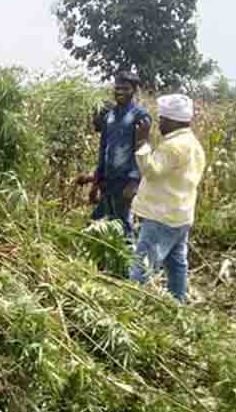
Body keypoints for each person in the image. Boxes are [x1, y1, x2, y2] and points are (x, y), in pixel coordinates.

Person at [129, 94, 206, 304]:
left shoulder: (173, 146)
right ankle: (178, 304)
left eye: (162, 119)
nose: (160, 123)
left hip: (161, 216)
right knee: (176, 264)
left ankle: (128, 307)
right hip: (180, 216)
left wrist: (142, 143)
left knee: (142, 266)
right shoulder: (193, 144)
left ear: (172, 120)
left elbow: (151, 171)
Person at [77, 72, 151, 240]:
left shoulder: (140, 116)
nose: (120, 92)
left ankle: (130, 261)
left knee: (123, 224)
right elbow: (104, 149)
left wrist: (134, 181)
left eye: (125, 88)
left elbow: (142, 149)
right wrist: (97, 179)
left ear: (134, 90)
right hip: (108, 179)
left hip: (125, 181)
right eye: (117, 88)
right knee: (98, 223)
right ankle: (102, 262)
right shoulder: (109, 116)